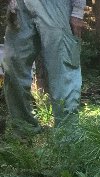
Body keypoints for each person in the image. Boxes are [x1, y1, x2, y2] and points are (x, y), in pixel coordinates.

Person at [3, 0, 85, 136]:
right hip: (21, 5)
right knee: (12, 65)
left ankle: (68, 140)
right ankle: (24, 132)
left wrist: (78, 11)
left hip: (57, 6)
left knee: (63, 73)